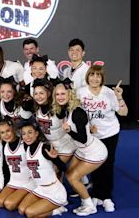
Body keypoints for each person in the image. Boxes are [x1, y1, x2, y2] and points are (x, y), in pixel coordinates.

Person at [77, 65, 128, 212]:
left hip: (109, 133)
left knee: (107, 163)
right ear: (87, 76)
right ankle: (96, 194)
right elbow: (77, 114)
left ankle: (106, 197)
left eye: (98, 76)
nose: (94, 78)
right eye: (92, 75)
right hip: (91, 135)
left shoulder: (109, 93)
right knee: (94, 163)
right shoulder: (80, 92)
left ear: (102, 78)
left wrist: (119, 96)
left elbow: (124, 113)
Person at [53, 80, 108, 216]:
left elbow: (82, 138)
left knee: (72, 178)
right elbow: (60, 114)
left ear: (70, 94)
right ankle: (84, 188)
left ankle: (89, 205)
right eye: (57, 94)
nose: (60, 97)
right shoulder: (67, 109)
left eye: (63, 94)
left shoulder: (77, 112)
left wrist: (68, 131)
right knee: (70, 174)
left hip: (94, 151)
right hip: (81, 149)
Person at [17, 119, 68, 217]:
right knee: (21, 210)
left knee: (29, 213)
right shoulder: (27, 149)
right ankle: (51, 207)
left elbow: (64, 168)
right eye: (23, 134)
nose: (27, 136)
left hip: (54, 190)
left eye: (30, 132)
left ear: (36, 133)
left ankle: (57, 209)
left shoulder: (44, 148)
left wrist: (56, 159)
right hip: (40, 189)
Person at [32, 78, 76, 163]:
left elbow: (71, 102)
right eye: (36, 94)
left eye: (41, 93)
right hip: (51, 146)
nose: (38, 96)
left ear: (49, 93)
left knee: (54, 171)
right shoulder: (35, 108)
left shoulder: (58, 107)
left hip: (65, 144)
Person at [0, 117, 35, 211]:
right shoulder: (5, 146)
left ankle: (31, 196)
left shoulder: (25, 143)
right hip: (14, 181)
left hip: (28, 182)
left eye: (8, 131)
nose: (6, 135)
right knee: (0, 202)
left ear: (13, 129)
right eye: (2, 132)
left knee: (9, 204)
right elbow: (6, 168)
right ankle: (21, 198)